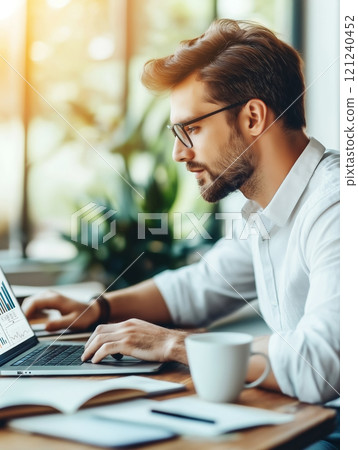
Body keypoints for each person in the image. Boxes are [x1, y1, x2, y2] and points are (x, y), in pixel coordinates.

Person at [23, 19, 339, 416]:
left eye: (191, 129)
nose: (178, 153)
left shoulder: (335, 207)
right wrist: (96, 309)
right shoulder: (267, 210)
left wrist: (173, 345)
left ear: (254, 118)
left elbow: (319, 364)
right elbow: (199, 286)